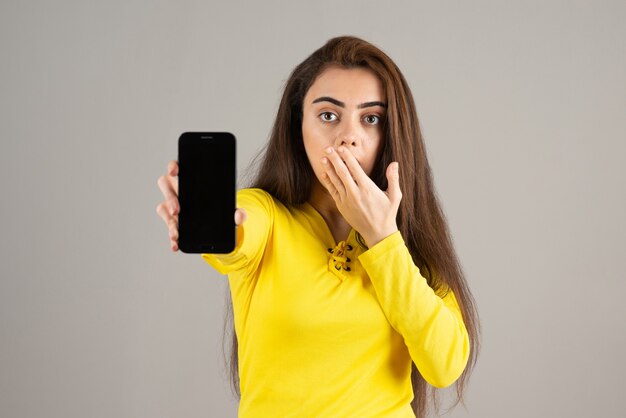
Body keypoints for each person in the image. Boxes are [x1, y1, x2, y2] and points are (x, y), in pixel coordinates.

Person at [157, 36, 479, 418]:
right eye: (328, 115)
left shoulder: (408, 242)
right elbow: (239, 229)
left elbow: (444, 366)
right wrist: (207, 215)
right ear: (298, 128)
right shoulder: (266, 215)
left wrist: (384, 240)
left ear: (392, 134)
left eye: (371, 118)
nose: (349, 135)